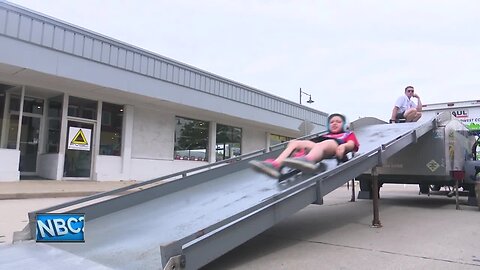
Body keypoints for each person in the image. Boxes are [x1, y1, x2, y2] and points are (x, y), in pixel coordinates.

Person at [249, 113, 360, 178]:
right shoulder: (326, 135)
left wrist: (344, 147)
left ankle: (308, 160)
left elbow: (351, 144)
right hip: (320, 147)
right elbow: (312, 145)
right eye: (331, 122)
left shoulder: (347, 134)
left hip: (334, 148)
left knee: (325, 143)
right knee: (294, 142)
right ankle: (276, 165)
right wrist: (299, 153)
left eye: (338, 121)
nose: (334, 123)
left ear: (344, 124)